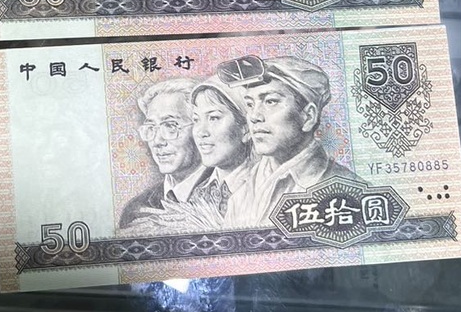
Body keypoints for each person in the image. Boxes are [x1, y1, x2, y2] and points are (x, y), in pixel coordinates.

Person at [219, 56, 357, 228]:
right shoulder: (241, 190)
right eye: (249, 104)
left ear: (308, 116)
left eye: (270, 101)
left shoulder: (348, 190)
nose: (254, 116)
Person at [119, 78, 209, 228]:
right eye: (151, 127)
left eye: (170, 125)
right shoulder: (136, 210)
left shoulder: (227, 197)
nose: (157, 141)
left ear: (199, 128)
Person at [189, 80, 254, 220]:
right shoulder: (198, 193)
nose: (201, 132)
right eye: (196, 119)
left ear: (246, 129)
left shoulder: (261, 187)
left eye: (213, 118)